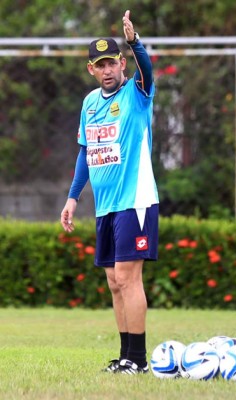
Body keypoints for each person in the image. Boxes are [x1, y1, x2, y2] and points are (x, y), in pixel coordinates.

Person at [60, 9, 158, 375]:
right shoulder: (89, 103)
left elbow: (147, 70)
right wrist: (73, 196)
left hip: (135, 201)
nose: (107, 70)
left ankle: (139, 360)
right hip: (105, 207)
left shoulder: (136, 93)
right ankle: (125, 356)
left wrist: (134, 42)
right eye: (99, 65)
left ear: (121, 63)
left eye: (112, 63)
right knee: (115, 282)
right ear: (91, 69)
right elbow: (86, 152)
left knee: (128, 277)